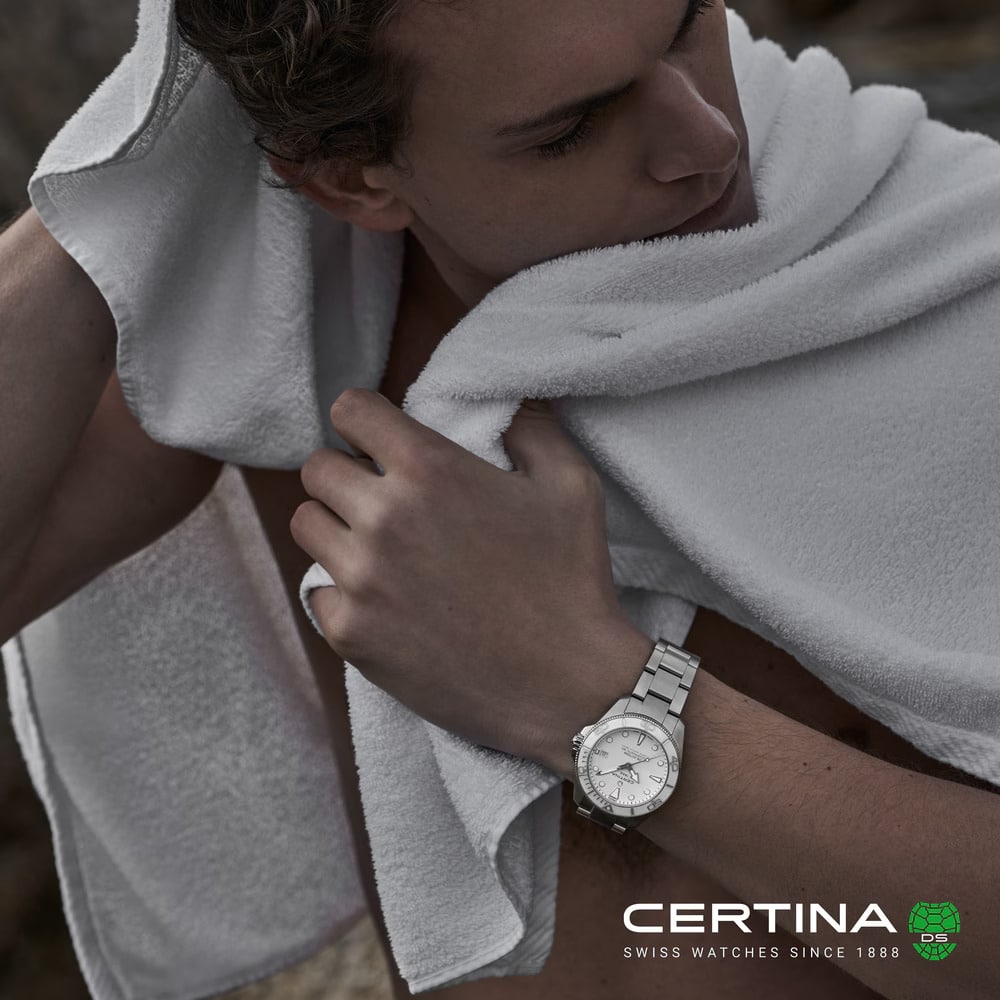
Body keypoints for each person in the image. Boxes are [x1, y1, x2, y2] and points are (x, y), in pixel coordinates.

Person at [1, 1, 998, 999]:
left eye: (691, 22)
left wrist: (586, 694)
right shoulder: (309, 325)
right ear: (349, 180)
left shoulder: (952, 282)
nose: (706, 139)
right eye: (571, 128)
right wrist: (125, 178)